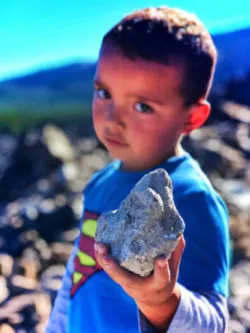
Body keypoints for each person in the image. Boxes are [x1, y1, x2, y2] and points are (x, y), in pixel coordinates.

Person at [46, 6, 230, 333]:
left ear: (192, 118)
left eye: (142, 106)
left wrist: (161, 301)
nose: (112, 118)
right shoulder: (102, 182)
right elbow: (77, 278)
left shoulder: (193, 198)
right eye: (104, 93)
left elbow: (213, 322)